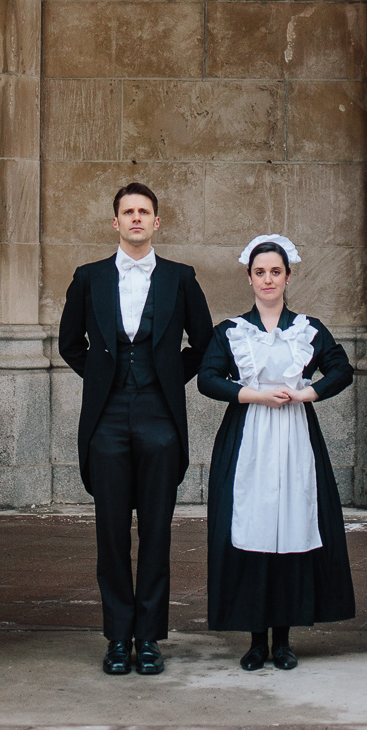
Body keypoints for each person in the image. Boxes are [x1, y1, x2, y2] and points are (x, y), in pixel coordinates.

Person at [58, 182, 213, 677]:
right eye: (128, 212)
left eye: (145, 211)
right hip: (106, 421)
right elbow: (69, 343)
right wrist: (105, 380)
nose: (137, 219)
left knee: (156, 532)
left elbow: (205, 343)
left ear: (157, 222)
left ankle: (148, 639)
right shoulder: (89, 278)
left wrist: (167, 378)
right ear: (116, 222)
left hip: (159, 419)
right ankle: (117, 638)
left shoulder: (180, 278)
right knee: (110, 534)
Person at [197, 234, 355, 671]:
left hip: (295, 439)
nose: (268, 279)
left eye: (276, 272)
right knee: (253, 530)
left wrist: (309, 394)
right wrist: (250, 394)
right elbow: (207, 379)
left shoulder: (308, 329)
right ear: (249, 277)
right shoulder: (231, 332)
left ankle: (283, 641)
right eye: (260, 272)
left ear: (287, 277)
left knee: (292, 529)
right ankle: (255, 641)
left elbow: (342, 369)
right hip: (248, 438)